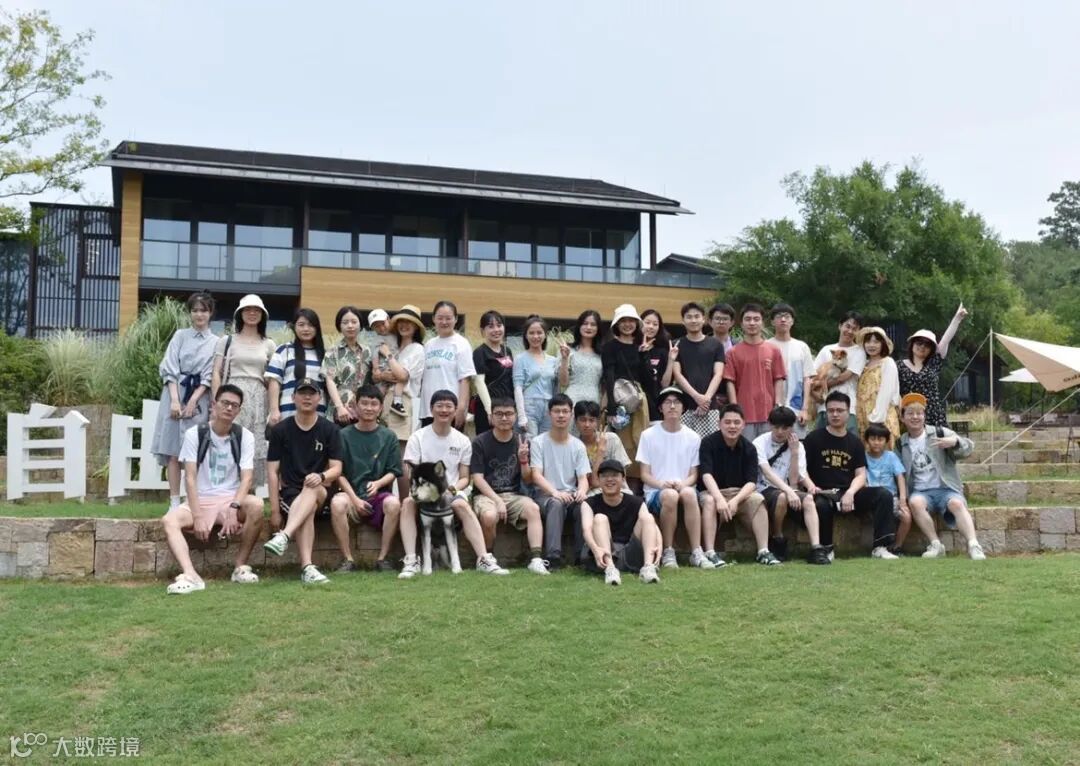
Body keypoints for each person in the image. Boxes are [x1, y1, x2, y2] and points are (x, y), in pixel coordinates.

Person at [162, 384, 264, 594]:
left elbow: (247, 478)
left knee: (256, 505)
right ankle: (190, 574)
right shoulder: (195, 434)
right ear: (214, 404)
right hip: (200, 499)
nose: (229, 408)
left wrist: (234, 507)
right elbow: (190, 478)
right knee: (169, 520)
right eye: (225, 403)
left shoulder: (245, 436)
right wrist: (198, 516)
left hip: (229, 499)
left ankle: (240, 567)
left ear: (239, 410)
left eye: (234, 405)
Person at [397, 390, 509, 579]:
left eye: (449, 406)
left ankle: (484, 558)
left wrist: (452, 489)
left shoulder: (462, 440)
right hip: (423, 492)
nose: (444, 410)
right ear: (431, 409)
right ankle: (411, 561)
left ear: (456, 410)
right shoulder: (418, 437)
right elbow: (411, 473)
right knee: (408, 503)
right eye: (439, 406)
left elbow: (465, 477)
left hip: (452, 491)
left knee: (461, 505)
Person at [262, 376, 344, 583]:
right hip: (291, 492)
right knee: (306, 509)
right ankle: (307, 567)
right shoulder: (280, 430)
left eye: (311, 393)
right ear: (293, 397)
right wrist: (274, 511)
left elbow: (337, 469)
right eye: (302, 393)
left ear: (319, 398)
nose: (307, 397)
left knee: (313, 487)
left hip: (322, 490)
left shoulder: (330, 429)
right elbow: (272, 472)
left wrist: (321, 476)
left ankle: (284, 536)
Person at [803, 391, 898, 560]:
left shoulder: (855, 442)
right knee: (821, 505)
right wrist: (811, 487)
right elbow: (802, 470)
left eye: (840, 410)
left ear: (848, 413)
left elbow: (861, 474)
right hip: (822, 492)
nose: (835, 414)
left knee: (883, 495)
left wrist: (850, 492)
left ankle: (880, 547)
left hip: (848, 492)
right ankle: (826, 549)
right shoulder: (813, 438)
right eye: (831, 410)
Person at [897, 393, 986, 560]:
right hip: (921, 491)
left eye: (919, 413)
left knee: (957, 503)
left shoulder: (939, 432)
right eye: (910, 413)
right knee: (915, 503)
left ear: (924, 416)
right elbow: (898, 472)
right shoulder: (900, 443)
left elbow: (969, 448)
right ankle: (936, 545)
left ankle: (974, 545)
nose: (915, 417)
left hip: (946, 488)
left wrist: (955, 442)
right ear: (902, 418)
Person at [152, 291, 219, 508]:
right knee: (172, 450)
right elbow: (170, 366)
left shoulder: (216, 342)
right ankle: (173, 500)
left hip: (200, 398)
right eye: (195, 310)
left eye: (204, 311)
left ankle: (193, 500)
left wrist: (193, 400)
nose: (199, 315)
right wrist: (175, 399)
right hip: (175, 392)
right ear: (190, 313)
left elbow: (210, 373)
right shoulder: (180, 336)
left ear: (210, 313)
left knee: (196, 451)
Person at [636, 386, 713, 569]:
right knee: (670, 496)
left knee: (689, 493)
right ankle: (668, 551)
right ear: (660, 408)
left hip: (684, 487)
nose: (672, 406)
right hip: (656, 491)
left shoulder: (693, 437)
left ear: (683, 408)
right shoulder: (648, 435)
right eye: (667, 402)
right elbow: (644, 474)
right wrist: (662, 484)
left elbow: (694, 475)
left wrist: (682, 484)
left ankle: (696, 551)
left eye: (677, 402)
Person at [470, 397, 549, 575]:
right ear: (491, 417)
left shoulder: (522, 441)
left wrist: (523, 461)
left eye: (508, 414)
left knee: (533, 509)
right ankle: (486, 558)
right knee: (489, 516)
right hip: (486, 495)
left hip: (513, 495)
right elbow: (477, 479)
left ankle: (536, 559)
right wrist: (497, 501)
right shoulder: (480, 442)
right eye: (499, 414)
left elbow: (528, 479)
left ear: (515, 416)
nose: (504, 418)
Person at [329, 385, 403, 573]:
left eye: (374, 404)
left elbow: (394, 470)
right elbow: (338, 473)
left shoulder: (389, 436)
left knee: (394, 504)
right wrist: (355, 499)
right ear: (355, 405)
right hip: (350, 494)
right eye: (364, 403)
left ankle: (383, 559)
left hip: (378, 496)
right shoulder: (343, 435)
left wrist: (378, 483)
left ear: (381, 408)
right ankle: (347, 559)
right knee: (337, 503)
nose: (369, 408)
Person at [698, 404, 783, 567]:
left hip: (740, 493)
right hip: (712, 491)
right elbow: (706, 474)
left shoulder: (749, 448)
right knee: (709, 502)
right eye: (727, 422)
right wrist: (719, 499)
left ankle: (763, 551)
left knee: (758, 499)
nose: (732, 426)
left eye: (737, 422)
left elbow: (751, 482)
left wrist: (735, 501)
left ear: (743, 424)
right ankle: (709, 552)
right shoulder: (708, 443)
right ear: (719, 423)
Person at [211, 293, 277, 488]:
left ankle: (250, 491)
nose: (252, 313)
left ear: (263, 315)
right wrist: (216, 402)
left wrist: (273, 407)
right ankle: (225, 488)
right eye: (247, 309)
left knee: (254, 444)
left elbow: (273, 378)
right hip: (232, 394)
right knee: (229, 440)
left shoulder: (269, 344)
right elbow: (216, 372)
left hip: (258, 398)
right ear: (240, 313)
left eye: (256, 310)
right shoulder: (227, 341)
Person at [752, 406, 830, 564]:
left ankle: (816, 548)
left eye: (785, 428)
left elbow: (795, 480)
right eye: (776, 427)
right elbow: (767, 473)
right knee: (782, 497)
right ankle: (777, 538)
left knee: (808, 499)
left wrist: (794, 453)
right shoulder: (759, 442)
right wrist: (789, 491)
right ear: (769, 424)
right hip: (764, 487)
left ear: (792, 427)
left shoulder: (797, 445)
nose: (780, 432)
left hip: (789, 488)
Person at [523, 393, 591, 570]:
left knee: (583, 506)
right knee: (556, 504)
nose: (561, 415)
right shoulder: (538, 442)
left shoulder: (578, 445)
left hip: (570, 494)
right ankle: (553, 557)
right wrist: (555, 492)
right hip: (545, 495)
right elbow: (536, 475)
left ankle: (582, 557)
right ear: (549, 414)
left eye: (565, 411)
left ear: (571, 415)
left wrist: (581, 491)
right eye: (557, 411)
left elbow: (583, 478)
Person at [580, 460, 662, 585]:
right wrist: (595, 549)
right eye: (604, 476)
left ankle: (648, 568)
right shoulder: (588, 503)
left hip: (630, 552)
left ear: (623, 479)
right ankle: (610, 569)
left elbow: (652, 525)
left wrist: (659, 546)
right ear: (599, 480)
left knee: (648, 517)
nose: (609, 479)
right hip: (602, 554)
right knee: (599, 518)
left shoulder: (636, 502)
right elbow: (586, 530)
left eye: (614, 475)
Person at [601, 304, 653, 491]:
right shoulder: (610, 347)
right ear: (617, 324)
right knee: (620, 443)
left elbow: (647, 380)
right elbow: (609, 376)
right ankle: (620, 485)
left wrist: (645, 355)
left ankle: (637, 487)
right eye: (623, 321)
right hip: (617, 398)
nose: (628, 324)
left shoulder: (641, 347)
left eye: (631, 320)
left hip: (637, 401)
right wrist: (611, 408)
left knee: (639, 441)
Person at [373, 305, 426, 477]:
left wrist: (388, 356)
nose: (404, 325)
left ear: (416, 326)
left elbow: (402, 375)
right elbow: (378, 375)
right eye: (401, 321)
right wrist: (384, 374)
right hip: (384, 401)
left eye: (409, 322)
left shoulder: (417, 348)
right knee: (385, 454)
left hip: (402, 403)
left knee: (400, 455)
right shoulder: (394, 345)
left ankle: (404, 495)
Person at [899, 303, 969, 428]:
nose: (922, 347)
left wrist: (957, 319)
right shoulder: (898, 366)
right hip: (911, 417)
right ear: (912, 344)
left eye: (927, 345)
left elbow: (946, 339)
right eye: (919, 343)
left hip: (935, 417)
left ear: (932, 349)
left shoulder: (933, 364)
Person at [723, 303, 786, 441]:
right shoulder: (732, 352)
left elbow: (778, 378)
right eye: (748, 319)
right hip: (744, 414)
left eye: (756, 319)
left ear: (763, 323)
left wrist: (778, 405)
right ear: (741, 323)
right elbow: (730, 381)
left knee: (769, 451)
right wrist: (734, 408)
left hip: (769, 414)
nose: (752, 323)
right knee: (745, 450)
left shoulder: (773, 350)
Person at [672, 301, 725, 438]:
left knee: (710, 446)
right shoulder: (676, 344)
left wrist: (706, 399)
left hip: (710, 407)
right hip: (685, 407)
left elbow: (718, 374)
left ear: (703, 319)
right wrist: (696, 397)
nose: (693, 320)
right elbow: (677, 374)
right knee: (684, 446)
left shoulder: (716, 344)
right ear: (683, 321)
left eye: (697, 316)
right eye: (689, 317)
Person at [266, 307, 328, 424]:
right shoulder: (284, 350)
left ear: (317, 328)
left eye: (310, 325)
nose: (306, 329)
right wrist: (274, 410)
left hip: (318, 414)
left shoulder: (325, 354)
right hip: (288, 412)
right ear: (294, 327)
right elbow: (274, 381)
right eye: (301, 325)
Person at [419, 300, 474, 430]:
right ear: (434, 319)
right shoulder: (429, 344)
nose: (444, 322)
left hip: (450, 410)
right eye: (440, 318)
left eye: (448, 318)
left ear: (456, 319)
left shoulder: (461, 343)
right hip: (428, 409)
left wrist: (461, 408)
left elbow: (465, 379)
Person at [766, 303, 815, 438]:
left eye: (787, 316)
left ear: (792, 321)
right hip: (771, 407)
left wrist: (805, 409)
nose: (783, 320)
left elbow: (807, 379)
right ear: (772, 322)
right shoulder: (766, 346)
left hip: (796, 407)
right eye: (779, 316)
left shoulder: (801, 347)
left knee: (796, 442)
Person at [812, 311, 865, 432]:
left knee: (848, 442)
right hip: (824, 407)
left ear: (859, 331)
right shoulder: (826, 350)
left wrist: (821, 384)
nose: (850, 331)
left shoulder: (859, 351)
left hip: (848, 408)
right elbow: (813, 375)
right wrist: (815, 392)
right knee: (819, 441)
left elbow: (843, 377)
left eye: (854, 329)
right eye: (847, 326)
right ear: (840, 326)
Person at [863, 423, 911, 556]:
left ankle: (897, 547)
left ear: (886, 441)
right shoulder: (863, 457)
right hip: (872, 498)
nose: (876, 442)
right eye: (873, 439)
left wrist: (902, 499)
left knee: (906, 517)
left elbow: (900, 477)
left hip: (892, 497)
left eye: (880, 439)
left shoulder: (891, 456)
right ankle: (881, 546)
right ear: (866, 440)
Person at [324, 306, 371, 426]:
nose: (350, 326)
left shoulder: (367, 351)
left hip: (362, 411)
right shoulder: (332, 351)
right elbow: (329, 380)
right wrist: (339, 407)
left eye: (354, 322)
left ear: (360, 325)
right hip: (339, 411)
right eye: (345, 322)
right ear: (339, 326)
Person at [574, 399, 631, 496]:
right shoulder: (574, 446)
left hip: (618, 489)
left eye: (591, 420)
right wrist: (600, 451)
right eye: (583, 420)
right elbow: (593, 482)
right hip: (592, 493)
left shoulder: (612, 439)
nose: (587, 425)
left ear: (597, 422)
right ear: (576, 421)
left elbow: (621, 475)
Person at [514, 315, 559, 437]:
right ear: (526, 335)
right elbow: (518, 388)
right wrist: (522, 416)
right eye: (531, 333)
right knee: (531, 442)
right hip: (529, 406)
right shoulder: (520, 359)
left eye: (539, 333)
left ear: (545, 335)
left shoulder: (553, 360)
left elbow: (556, 387)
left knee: (546, 442)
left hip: (549, 407)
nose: (535, 336)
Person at [471, 310, 514, 435]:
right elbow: (479, 382)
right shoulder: (480, 352)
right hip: (488, 409)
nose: (496, 330)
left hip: (506, 407)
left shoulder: (507, 351)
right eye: (490, 326)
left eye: (499, 325)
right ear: (482, 331)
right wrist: (490, 410)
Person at [855, 327, 900, 446]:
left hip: (881, 419)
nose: (871, 345)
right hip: (862, 418)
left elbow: (886, 393)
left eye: (876, 342)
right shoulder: (863, 365)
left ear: (883, 344)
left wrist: (876, 419)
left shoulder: (887, 363)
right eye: (868, 341)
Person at [560, 309, 603, 416]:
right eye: (585, 323)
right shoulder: (569, 350)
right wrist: (564, 358)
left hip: (594, 402)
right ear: (579, 326)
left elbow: (604, 385)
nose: (588, 327)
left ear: (598, 328)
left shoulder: (603, 353)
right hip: (572, 401)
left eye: (593, 324)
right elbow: (563, 382)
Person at [639, 308, 678, 422]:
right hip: (634, 404)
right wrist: (641, 353)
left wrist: (671, 360)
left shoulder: (662, 351)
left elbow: (665, 384)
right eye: (647, 322)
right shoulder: (632, 347)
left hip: (655, 406)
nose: (651, 327)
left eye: (655, 324)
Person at [367, 308, 404, 415]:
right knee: (381, 392)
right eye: (377, 326)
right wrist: (375, 368)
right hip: (384, 368)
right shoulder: (377, 339)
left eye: (383, 324)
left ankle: (397, 403)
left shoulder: (398, 335)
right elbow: (375, 354)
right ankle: (378, 412)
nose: (381, 328)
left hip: (396, 369)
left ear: (388, 319)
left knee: (396, 389)